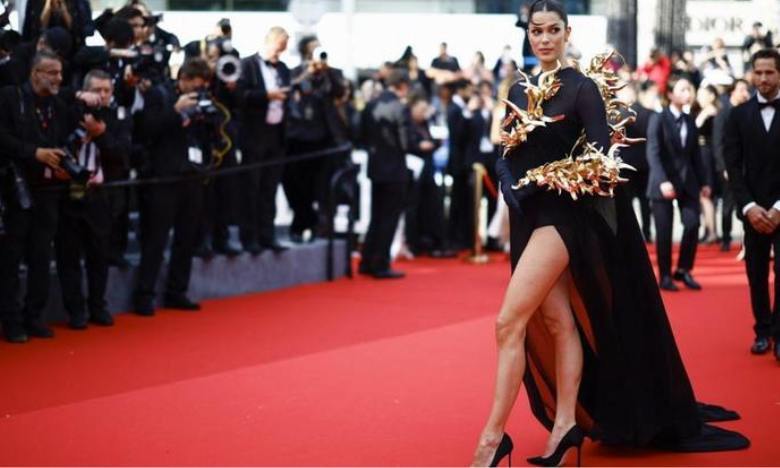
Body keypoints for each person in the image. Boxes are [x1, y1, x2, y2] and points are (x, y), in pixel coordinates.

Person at [470, 2, 747, 466]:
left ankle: (492, 439)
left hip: (566, 220)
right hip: (529, 219)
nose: (543, 39)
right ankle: (565, 428)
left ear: (566, 32)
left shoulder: (582, 89)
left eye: (552, 30)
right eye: (536, 31)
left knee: (507, 322)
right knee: (558, 323)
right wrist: (505, 165)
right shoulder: (519, 85)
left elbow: (602, 161)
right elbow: (511, 144)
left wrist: (542, 177)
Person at [0, 52, 81, 343]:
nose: (59, 78)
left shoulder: (58, 106)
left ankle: (33, 317)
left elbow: (62, 140)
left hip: (48, 192)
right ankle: (11, 322)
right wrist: (33, 153)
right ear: (35, 74)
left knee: (41, 255)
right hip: (14, 191)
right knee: (10, 259)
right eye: (52, 72)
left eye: (60, 72)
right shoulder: (10, 97)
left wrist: (61, 164)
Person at [132, 58, 214, 317]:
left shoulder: (201, 99)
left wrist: (205, 114)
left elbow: (208, 135)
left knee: (186, 238)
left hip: (192, 176)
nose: (198, 91)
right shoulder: (160, 94)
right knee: (155, 239)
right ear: (185, 78)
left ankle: (177, 292)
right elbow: (146, 129)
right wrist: (176, 111)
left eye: (203, 87)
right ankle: (144, 296)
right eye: (197, 86)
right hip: (164, 177)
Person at [55, 69, 129, 329]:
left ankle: (98, 306)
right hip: (65, 193)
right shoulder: (67, 110)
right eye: (97, 90)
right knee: (68, 256)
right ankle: (76, 311)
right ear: (85, 90)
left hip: (98, 195)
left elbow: (121, 157)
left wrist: (101, 134)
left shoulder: (116, 118)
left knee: (99, 255)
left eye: (107, 91)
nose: (102, 96)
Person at [724, 48, 780, 360]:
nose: (763, 78)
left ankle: (779, 334)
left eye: (769, 72)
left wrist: (778, 208)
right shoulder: (738, 114)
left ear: (779, 74)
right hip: (752, 210)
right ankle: (762, 330)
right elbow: (732, 166)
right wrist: (749, 207)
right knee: (756, 273)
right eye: (758, 72)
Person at [647, 76, 710, 291]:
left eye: (689, 90)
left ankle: (683, 270)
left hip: (688, 182)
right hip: (662, 182)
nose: (688, 94)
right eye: (683, 90)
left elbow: (695, 156)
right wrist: (663, 181)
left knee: (692, 224)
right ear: (670, 94)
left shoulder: (690, 120)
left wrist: (704, 182)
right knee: (664, 232)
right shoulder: (658, 118)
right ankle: (664, 275)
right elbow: (653, 153)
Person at [236, 26, 290, 254]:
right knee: (251, 188)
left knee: (270, 188)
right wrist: (268, 96)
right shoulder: (247, 65)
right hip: (253, 135)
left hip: (276, 135)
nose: (280, 54)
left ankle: (267, 235)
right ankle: (249, 237)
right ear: (269, 42)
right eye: (278, 48)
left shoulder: (284, 68)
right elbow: (241, 96)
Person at [358, 69, 412, 279]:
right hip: (395, 170)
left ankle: (366, 262)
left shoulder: (371, 104)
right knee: (389, 218)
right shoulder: (400, 107)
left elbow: (360, 135)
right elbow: (405, 142)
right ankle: (380, 263)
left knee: (376, 216)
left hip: (375, 167)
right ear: (402, 85)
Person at [712, 78, 750, 252]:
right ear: (732, 91)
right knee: (728, 204)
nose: (745, 92)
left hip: (747, 165)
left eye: (746, 89)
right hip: (729, 165)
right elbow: (718, 142)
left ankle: (746, 240)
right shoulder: (723, 113)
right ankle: (726, 238)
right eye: (741, 88)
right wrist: (724, 167)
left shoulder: (748, 112)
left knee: (747, 203)